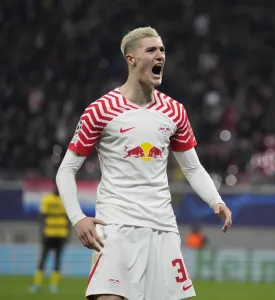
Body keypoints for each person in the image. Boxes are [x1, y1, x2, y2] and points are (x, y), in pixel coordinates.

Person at [56, 26, 232, 300]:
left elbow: (192, 168)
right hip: (116, 226)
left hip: (163, 227)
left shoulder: (174, 111)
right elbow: (66, 170)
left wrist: (215, 201)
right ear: (131, 58)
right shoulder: (100, 110)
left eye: (162, 50)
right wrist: (77, 218)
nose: (160, 55)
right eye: (151, 50)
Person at [29, 184, 69, 294]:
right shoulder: (47, 199)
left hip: (61, 235)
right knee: (43, 259)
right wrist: (42, 233)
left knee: (57, 260)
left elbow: (68, 220)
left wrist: (67, 236)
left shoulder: (65, 201)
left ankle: (53, 285)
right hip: (49, 234)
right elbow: (42, 217)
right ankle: (37, 284)